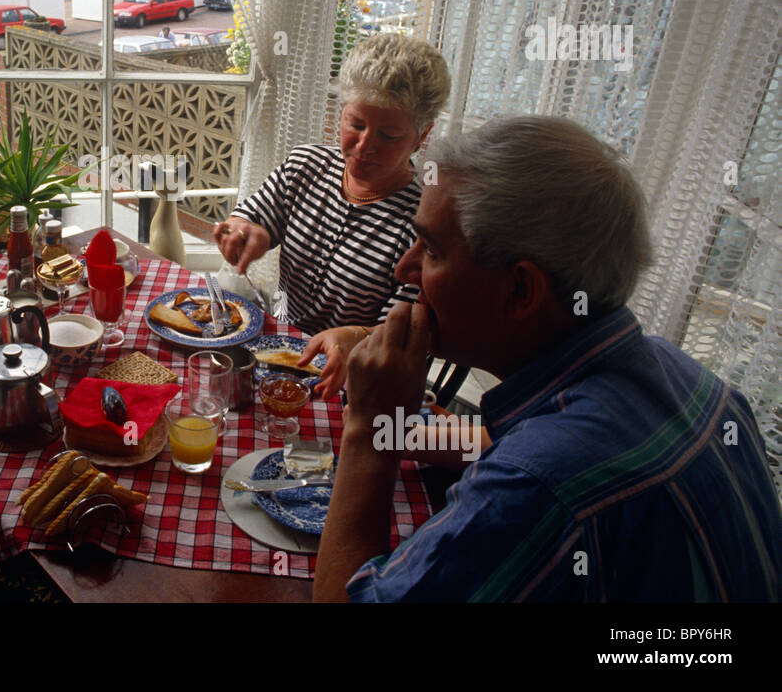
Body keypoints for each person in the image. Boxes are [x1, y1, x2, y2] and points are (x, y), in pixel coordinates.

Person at [313, 116, 782, 602]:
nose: (403, 268)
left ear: (520, 290)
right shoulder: (686, 376)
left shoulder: (537, 487)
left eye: (430, 249)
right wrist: (403, 430)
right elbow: (510, 435)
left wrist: (371, 430)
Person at [213, 33, 450, 394]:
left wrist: (355, 337)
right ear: (340, 114)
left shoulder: (423, 221)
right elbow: (251, 217)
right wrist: (246, 230)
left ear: (422, 136)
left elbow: (405, 328)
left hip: (354, 380)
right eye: (355, 124)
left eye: (388, 135)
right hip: (277, 354)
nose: (364, 146)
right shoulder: (306, 166)